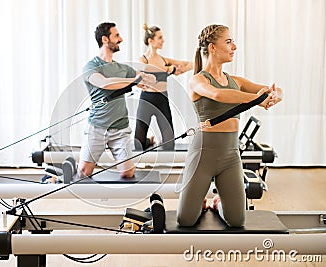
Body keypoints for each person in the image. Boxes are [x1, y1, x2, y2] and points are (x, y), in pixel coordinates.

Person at [177, 24, 283, 227]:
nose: (234, 46)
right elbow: (218, 94)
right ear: (212, 47)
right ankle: (200, 201)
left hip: (230, 155)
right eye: (228, 41)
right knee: (185, 219)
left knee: (236, 220)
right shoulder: (197, 80)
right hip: (203, 154)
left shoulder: (235, 81)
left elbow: (271, 89)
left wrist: (276, 94)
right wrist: (256, 99)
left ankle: (217, 204)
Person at [78, 22, 156, 178]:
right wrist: (135, 80)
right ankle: (64, 169)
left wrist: (146, 78)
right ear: (105, 39)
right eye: (117, 35)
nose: (121, 39)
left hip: (120, 128)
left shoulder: (123, 68)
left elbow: (150, 79)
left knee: (128, 172)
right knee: (83, 173)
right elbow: (105, 84)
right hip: (97, 128)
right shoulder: (91, 67)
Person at [134, 24, 193, 151]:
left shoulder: (163, 60)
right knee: (138, 143)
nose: (163, 40)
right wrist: (170, 69)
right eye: (160, 38)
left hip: (162, 99)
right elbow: (146, 68)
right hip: (146, 100)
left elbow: (190, 64)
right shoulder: (143, 59)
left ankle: (156, 142)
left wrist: (179, 69)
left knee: (169, 145)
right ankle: (150, 141)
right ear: (151, 41)